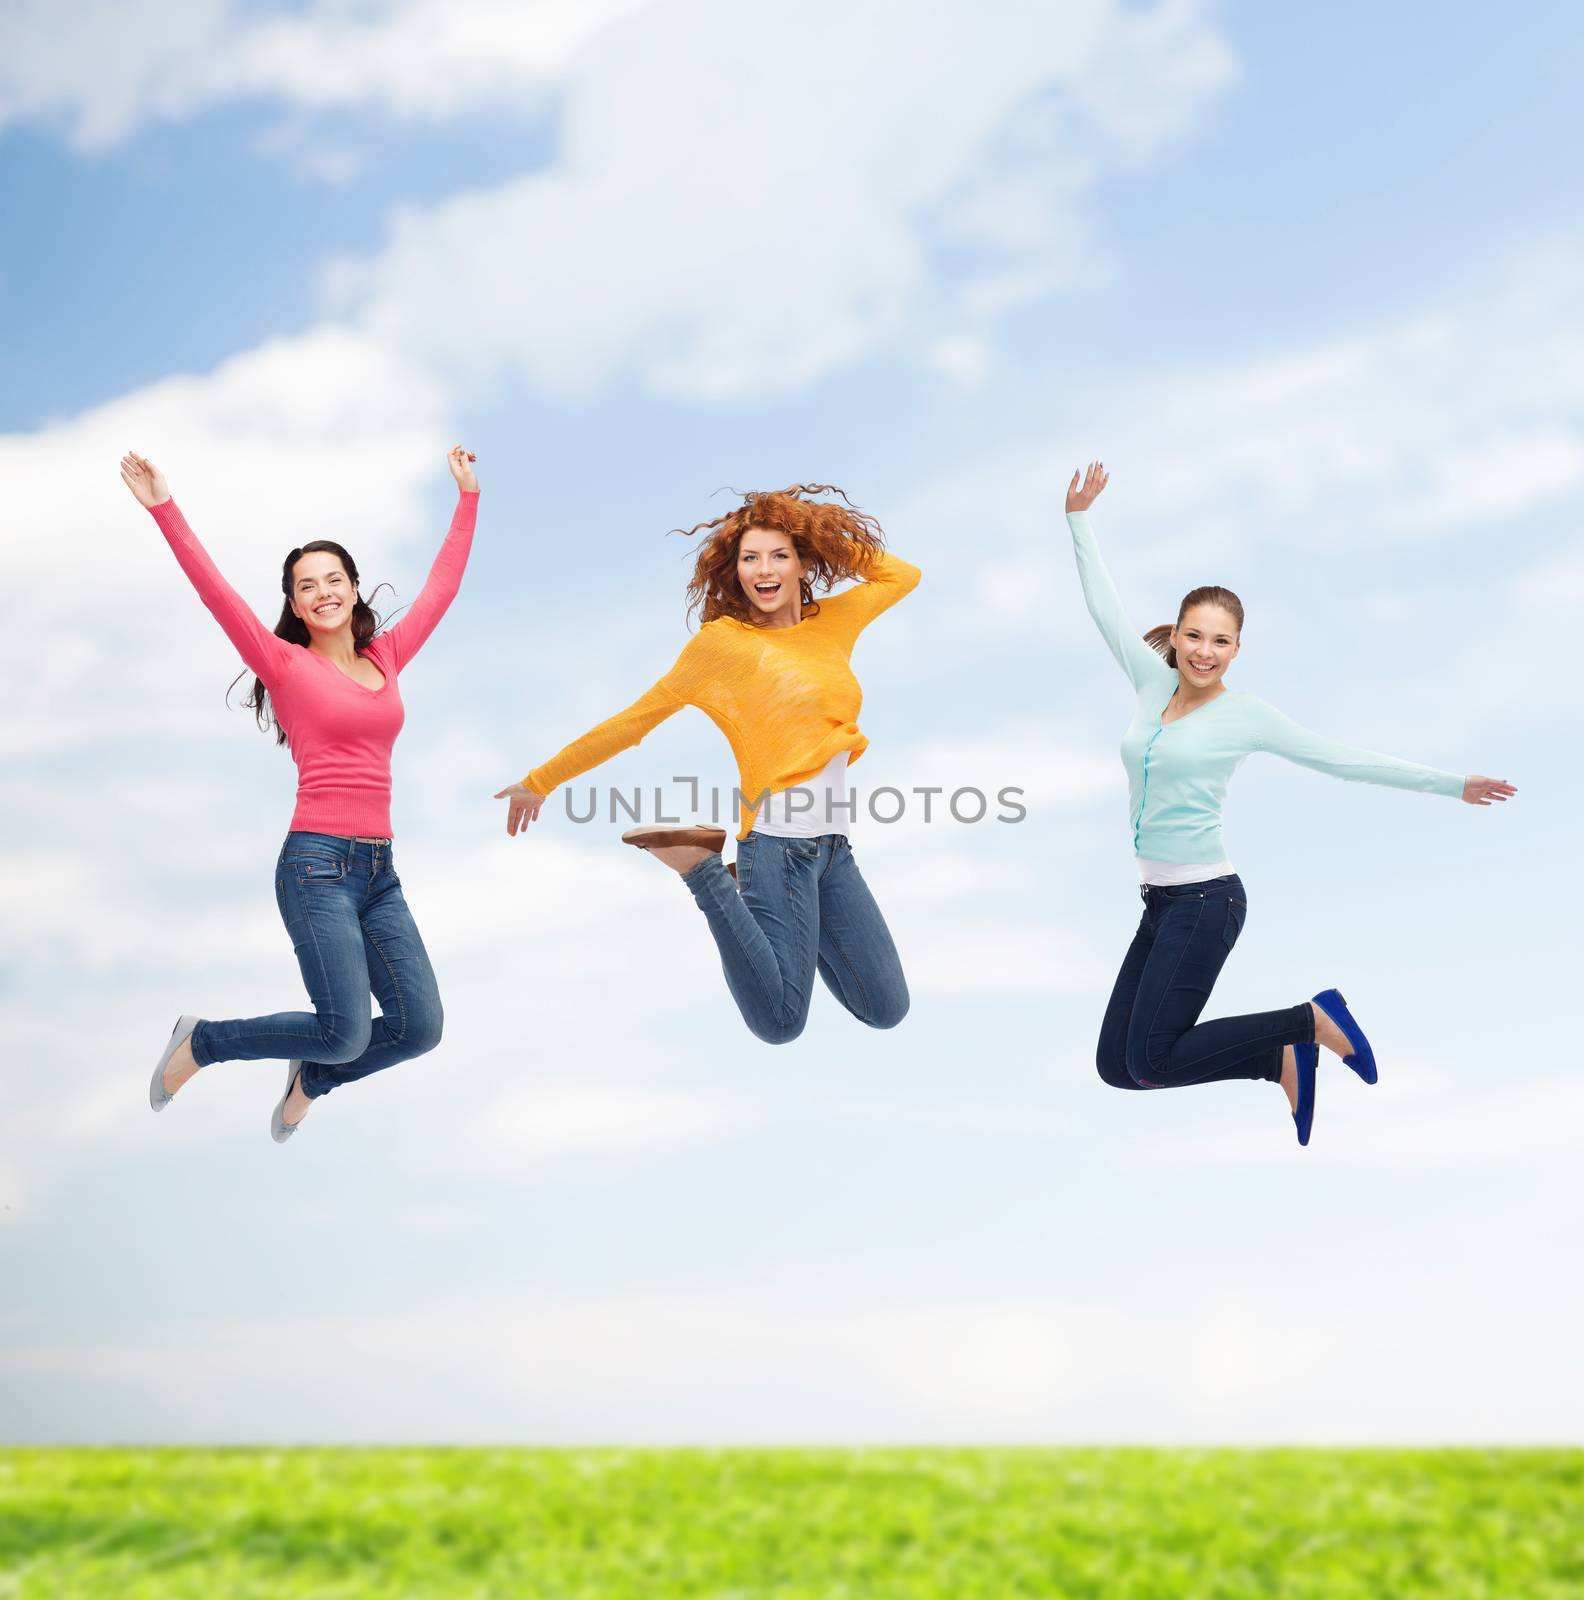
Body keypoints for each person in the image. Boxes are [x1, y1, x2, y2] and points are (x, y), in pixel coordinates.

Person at [1065, 460, 1514, 1144]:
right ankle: (1277, 1059)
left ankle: (1309, 1019)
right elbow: (1104, 608)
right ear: (1177, 635)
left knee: (1152, 1057)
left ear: (1237, 648)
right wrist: (1079, 520)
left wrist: (1452, 784)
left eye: (1220, 641)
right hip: (1159, 906)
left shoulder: (1246, 716)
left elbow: (1342, 760)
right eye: (1194, 636)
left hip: (1206, 902)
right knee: (1119, 1069)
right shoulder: (1150, 687)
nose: (1204, 651)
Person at [122, 446, 480, 1142]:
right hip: (316, 866)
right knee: (343, 1030)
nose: (322, 591)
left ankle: (311, 1078)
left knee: (420, 1027)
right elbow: (216, 593)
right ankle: (203, 1041)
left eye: (333, 578)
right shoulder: (283, 665)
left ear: (353, 588)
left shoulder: (386, 657)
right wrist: (165, 507)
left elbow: (442, 588)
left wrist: (467, 498)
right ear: (293, 603)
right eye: (305, 585)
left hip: (380, 872)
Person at [494, 484, 917, 1044]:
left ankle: (763, 905)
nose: (763, 570)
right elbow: (634, 720)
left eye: (779, 555)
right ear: (735, 570)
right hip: (778, 845)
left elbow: (901, 576)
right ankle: (700, 867)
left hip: (834, 852)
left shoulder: (834, 622)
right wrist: (539, 782)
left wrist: (819, 533)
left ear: (802, 562)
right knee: (781, 1023)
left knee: (885, 1007)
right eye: (749, 558)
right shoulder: (722, 647)